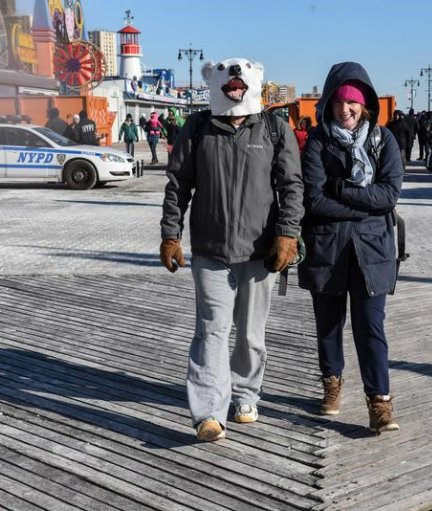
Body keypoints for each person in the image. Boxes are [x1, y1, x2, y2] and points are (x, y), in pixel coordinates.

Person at [160, 57, 303, 443]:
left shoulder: (273, 127)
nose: (235, 83)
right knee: (211, 331)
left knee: (250, 336)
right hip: (210, 249)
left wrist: (287, 234)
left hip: (260, 251)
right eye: (228, 78)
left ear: (254, 81)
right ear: (214, 81)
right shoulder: (197, 128)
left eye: (241, 79)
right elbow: (178, 184)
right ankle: (208, 412)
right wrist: (170, 233)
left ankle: (244, 394)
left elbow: (291, 184)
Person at [299, 61, 403, 435]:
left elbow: (389, 194)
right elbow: (313, 200)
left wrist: (341, 190)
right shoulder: (317, 142)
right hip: (326, 249)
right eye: (339, 102)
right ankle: (332, 382)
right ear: (327, 104)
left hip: (372, 251)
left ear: (366, 105)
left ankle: (380, 402)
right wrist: (362, 202)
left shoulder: (383, 140)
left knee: (370, 327)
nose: (345, 109)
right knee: (328, 325)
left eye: (353, 102)